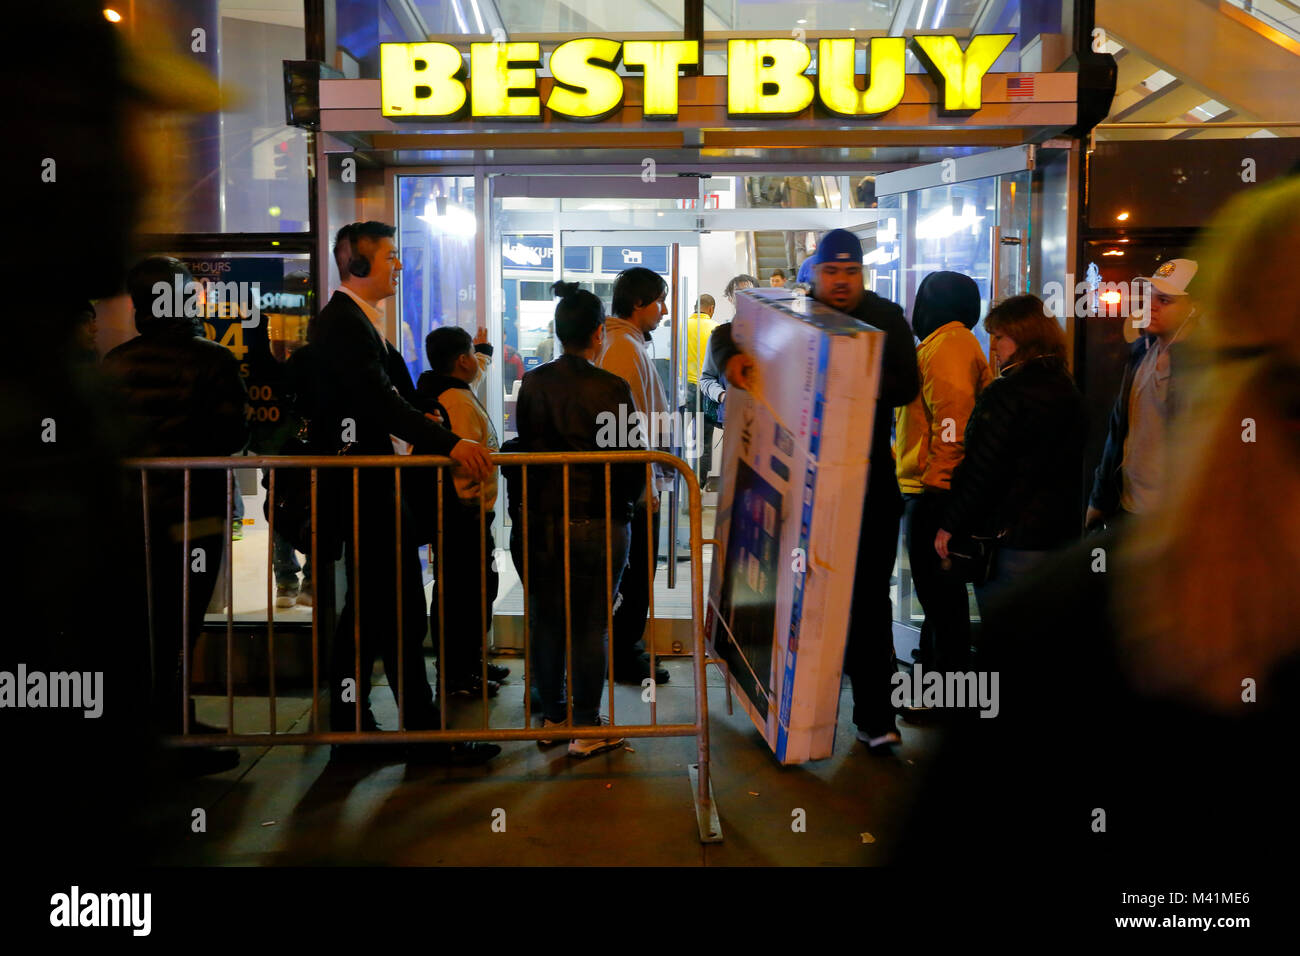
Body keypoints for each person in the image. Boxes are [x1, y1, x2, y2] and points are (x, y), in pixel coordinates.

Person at [899, 177, 1300, 869]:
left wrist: (949, 518)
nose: (1146, 308)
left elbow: (982, 462)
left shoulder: (1084, 621)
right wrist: (1097, 501)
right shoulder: (1103, 375)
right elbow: (1111, 439)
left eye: (1163, 300)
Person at [711, 231, 919, 755]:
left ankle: (876, 717)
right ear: (813, 274)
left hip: (864, 488)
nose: (842, 281)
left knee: (868, 602)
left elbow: (906, 386)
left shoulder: (885, 318)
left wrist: (846, 372)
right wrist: (726, 359)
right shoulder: (794, 312)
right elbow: (728, 332)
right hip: (790, 487)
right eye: (832, 272)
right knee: (781, 592)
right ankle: (777, 705)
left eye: (851, 272)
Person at [304, 220, 497, 765]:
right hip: (365, 492)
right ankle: (415, 733)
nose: (398, 265)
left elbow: (389, 400)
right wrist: (450, 441)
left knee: (372, 614)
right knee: (397, 612)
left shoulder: (360, 322)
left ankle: (360, 729)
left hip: (375, 490)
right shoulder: (344, 325)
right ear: (357, 264)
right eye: (389, 256)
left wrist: (429, 422)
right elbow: (378, 404)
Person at [102, 256, 250, 763]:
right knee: (181, 623)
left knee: (144, 624)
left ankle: (153, 726)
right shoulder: (212, 360)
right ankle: (174, 728)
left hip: (133, 517)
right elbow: (233, 435)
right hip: (194, 514)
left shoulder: (114, 363)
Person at [506, 281, 646, 756]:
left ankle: (552, 717)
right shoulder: (612, 387)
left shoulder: (534, 383)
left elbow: (526, 446)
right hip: (597, 520)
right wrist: (627, 508)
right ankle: (587, 727)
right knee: (591, 625)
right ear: (598, 334)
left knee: (547, 621)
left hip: (542, 520)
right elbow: (630, 461)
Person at [933, 295, 1086, 652]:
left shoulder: (1006, 392)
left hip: (1012, 540)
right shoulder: (1068, 388)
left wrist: (951, 522)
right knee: (1041, 644)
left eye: (999, 336)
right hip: (1059, 537)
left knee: (1004, 643)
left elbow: (983, 469)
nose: (994, 346)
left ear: (1024, 337)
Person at [894, 271, 992, 678]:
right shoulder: (944, 343)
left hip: (935, 491)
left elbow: (951, 425)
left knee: (942, 601)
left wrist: (938, 492)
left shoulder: (948, 346)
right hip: (930, 487)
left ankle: (947, 694)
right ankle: (937, 681)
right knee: (938, 601)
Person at [416, 326, 509, 698]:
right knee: (462, 598)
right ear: (460, 361)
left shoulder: (445, 388)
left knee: (475, 591)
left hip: (464, 512)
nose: (478, 361)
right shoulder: (455, 401)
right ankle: (458, 676)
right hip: (463, 513)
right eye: (472, 353)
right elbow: (468, 458)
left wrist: (482, 348)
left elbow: (477, 368)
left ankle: (469, 663)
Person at [598, 266, 673, 685]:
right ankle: (624, 654)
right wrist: (645, 481)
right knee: (634, 573)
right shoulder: (623, 348)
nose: (663, 310)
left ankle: (627, 649)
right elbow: (624, 426)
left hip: (641, 482)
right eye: (659, 301)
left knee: (637, 571)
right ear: (637, 304)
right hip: (635, 488)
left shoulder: (627, 343)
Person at [1085, 259, 1201, 531]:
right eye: (1150, 296)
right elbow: (1118, 431)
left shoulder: (1203, 366)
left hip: (1174, 519)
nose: (1151, 305)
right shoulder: (1140, 353)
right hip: (1127, 509)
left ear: (1195, 309)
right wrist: (1099, 500)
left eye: (1165, 300)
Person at [698, 274, 758, 492]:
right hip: (734, 419)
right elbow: (707, 378)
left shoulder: (774, 333)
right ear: (730, 299)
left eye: (749, 293)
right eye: (738, 294)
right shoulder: (721, 336)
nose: (744, 299)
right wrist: (722, 395)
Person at [684, 294, 717, 485]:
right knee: (703, 441)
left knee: (678, 438)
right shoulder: (715, 328)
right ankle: (698, 487)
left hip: (684, 389)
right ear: (711, 309)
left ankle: (679, 485)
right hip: (706, 391)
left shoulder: (681, 327)